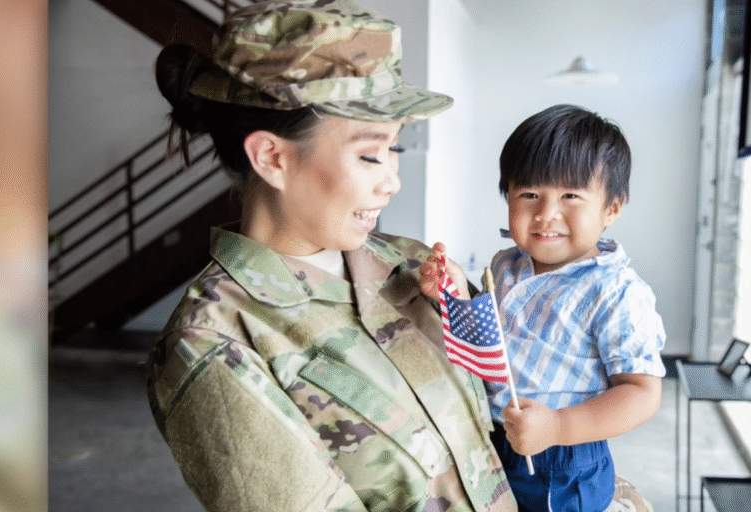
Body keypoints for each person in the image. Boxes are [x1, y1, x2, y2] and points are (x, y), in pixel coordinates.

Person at [145, 2, 517, 511]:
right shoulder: (215, 342)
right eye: (369, 155)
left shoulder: (411, 266)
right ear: (272, 157)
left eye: (395, 150)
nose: (392, 180)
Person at [421, 105, 665, 512]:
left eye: (571, 196)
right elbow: (488, 340)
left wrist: (559, 427)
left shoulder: (616, 291)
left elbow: (642, 393)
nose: (546, 213)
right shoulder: (504, 265)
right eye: (529, 194)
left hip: (562, 461)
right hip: (491, 437)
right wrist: (452, 292)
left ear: (612, 208)